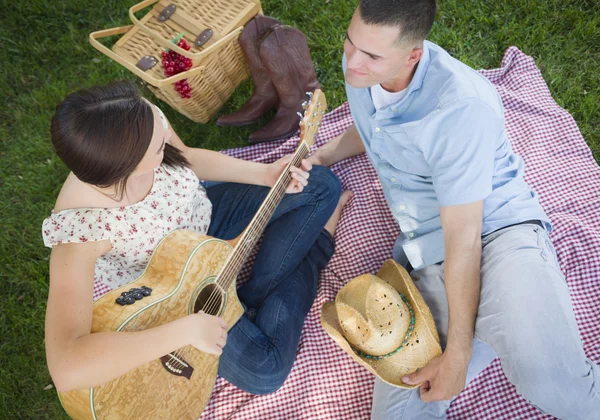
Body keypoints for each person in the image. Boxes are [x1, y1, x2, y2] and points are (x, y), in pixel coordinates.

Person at [308, 0, 600, 418]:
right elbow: (374, 121)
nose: (352, 62)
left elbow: (465, 237)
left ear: (413, 54)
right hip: (429, 254)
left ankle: (495, 330)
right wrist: (324, 155)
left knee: (553, 383)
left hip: (498, 237)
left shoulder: (460, 109)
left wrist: (458, 352)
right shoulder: (366, 65)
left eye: (371, 55)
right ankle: (496, 328)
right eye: (350, 43)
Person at [43, 81, 352, 396]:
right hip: (175, 290)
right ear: (126, 167)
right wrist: (183, 332)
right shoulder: (80, 231)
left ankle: (252, 296)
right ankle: (315, 251)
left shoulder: (141, 121)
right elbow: (67, 367)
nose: (165, 135)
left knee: (321, 185)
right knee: (265, 372)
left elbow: (186, 157)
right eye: (158, 148)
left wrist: (263, 174)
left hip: (207, 219)